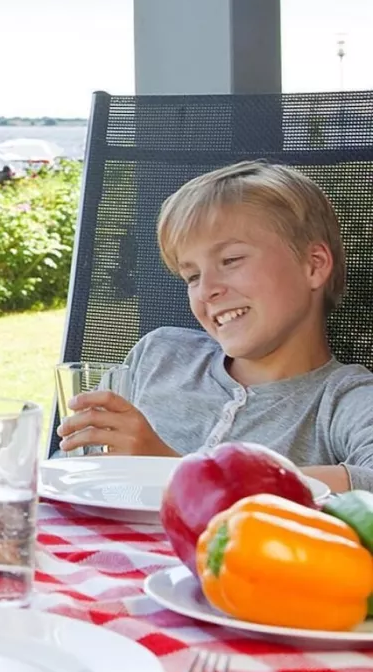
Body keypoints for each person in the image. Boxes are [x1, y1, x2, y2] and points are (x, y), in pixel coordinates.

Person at [57, 161, 373, 491]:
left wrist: (176, 472)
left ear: (313, 265)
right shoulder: (158, 356)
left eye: (230, 260)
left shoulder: (345, 399)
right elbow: (70, 472)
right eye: (192, 276)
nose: (207, 289)